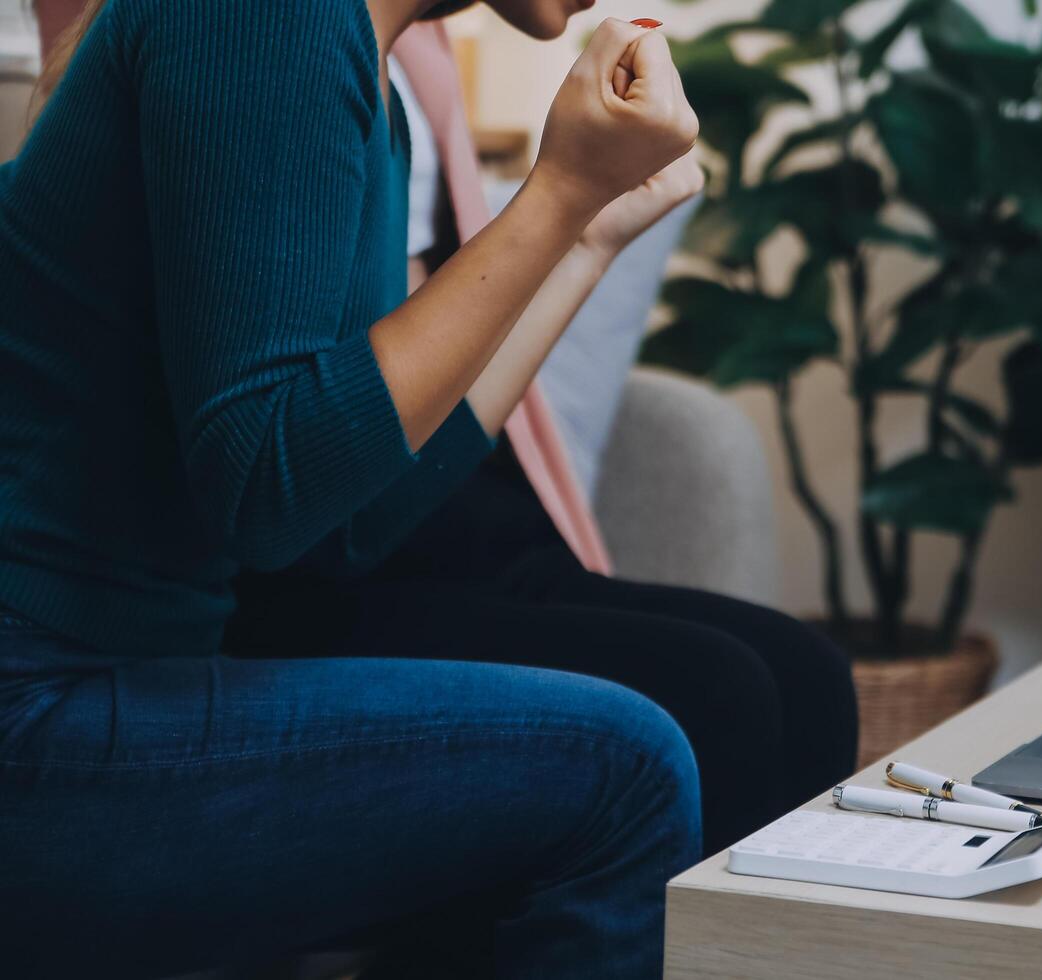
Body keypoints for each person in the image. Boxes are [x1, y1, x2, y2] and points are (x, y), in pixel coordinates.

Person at [0, 0, 716, 975]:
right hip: (34, 706)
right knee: (625, 767)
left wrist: (583, 233)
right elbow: (266, 482)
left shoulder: (369, 93)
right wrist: (553, 194)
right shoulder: (267, 19)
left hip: (96, 684)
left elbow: (338, 524)